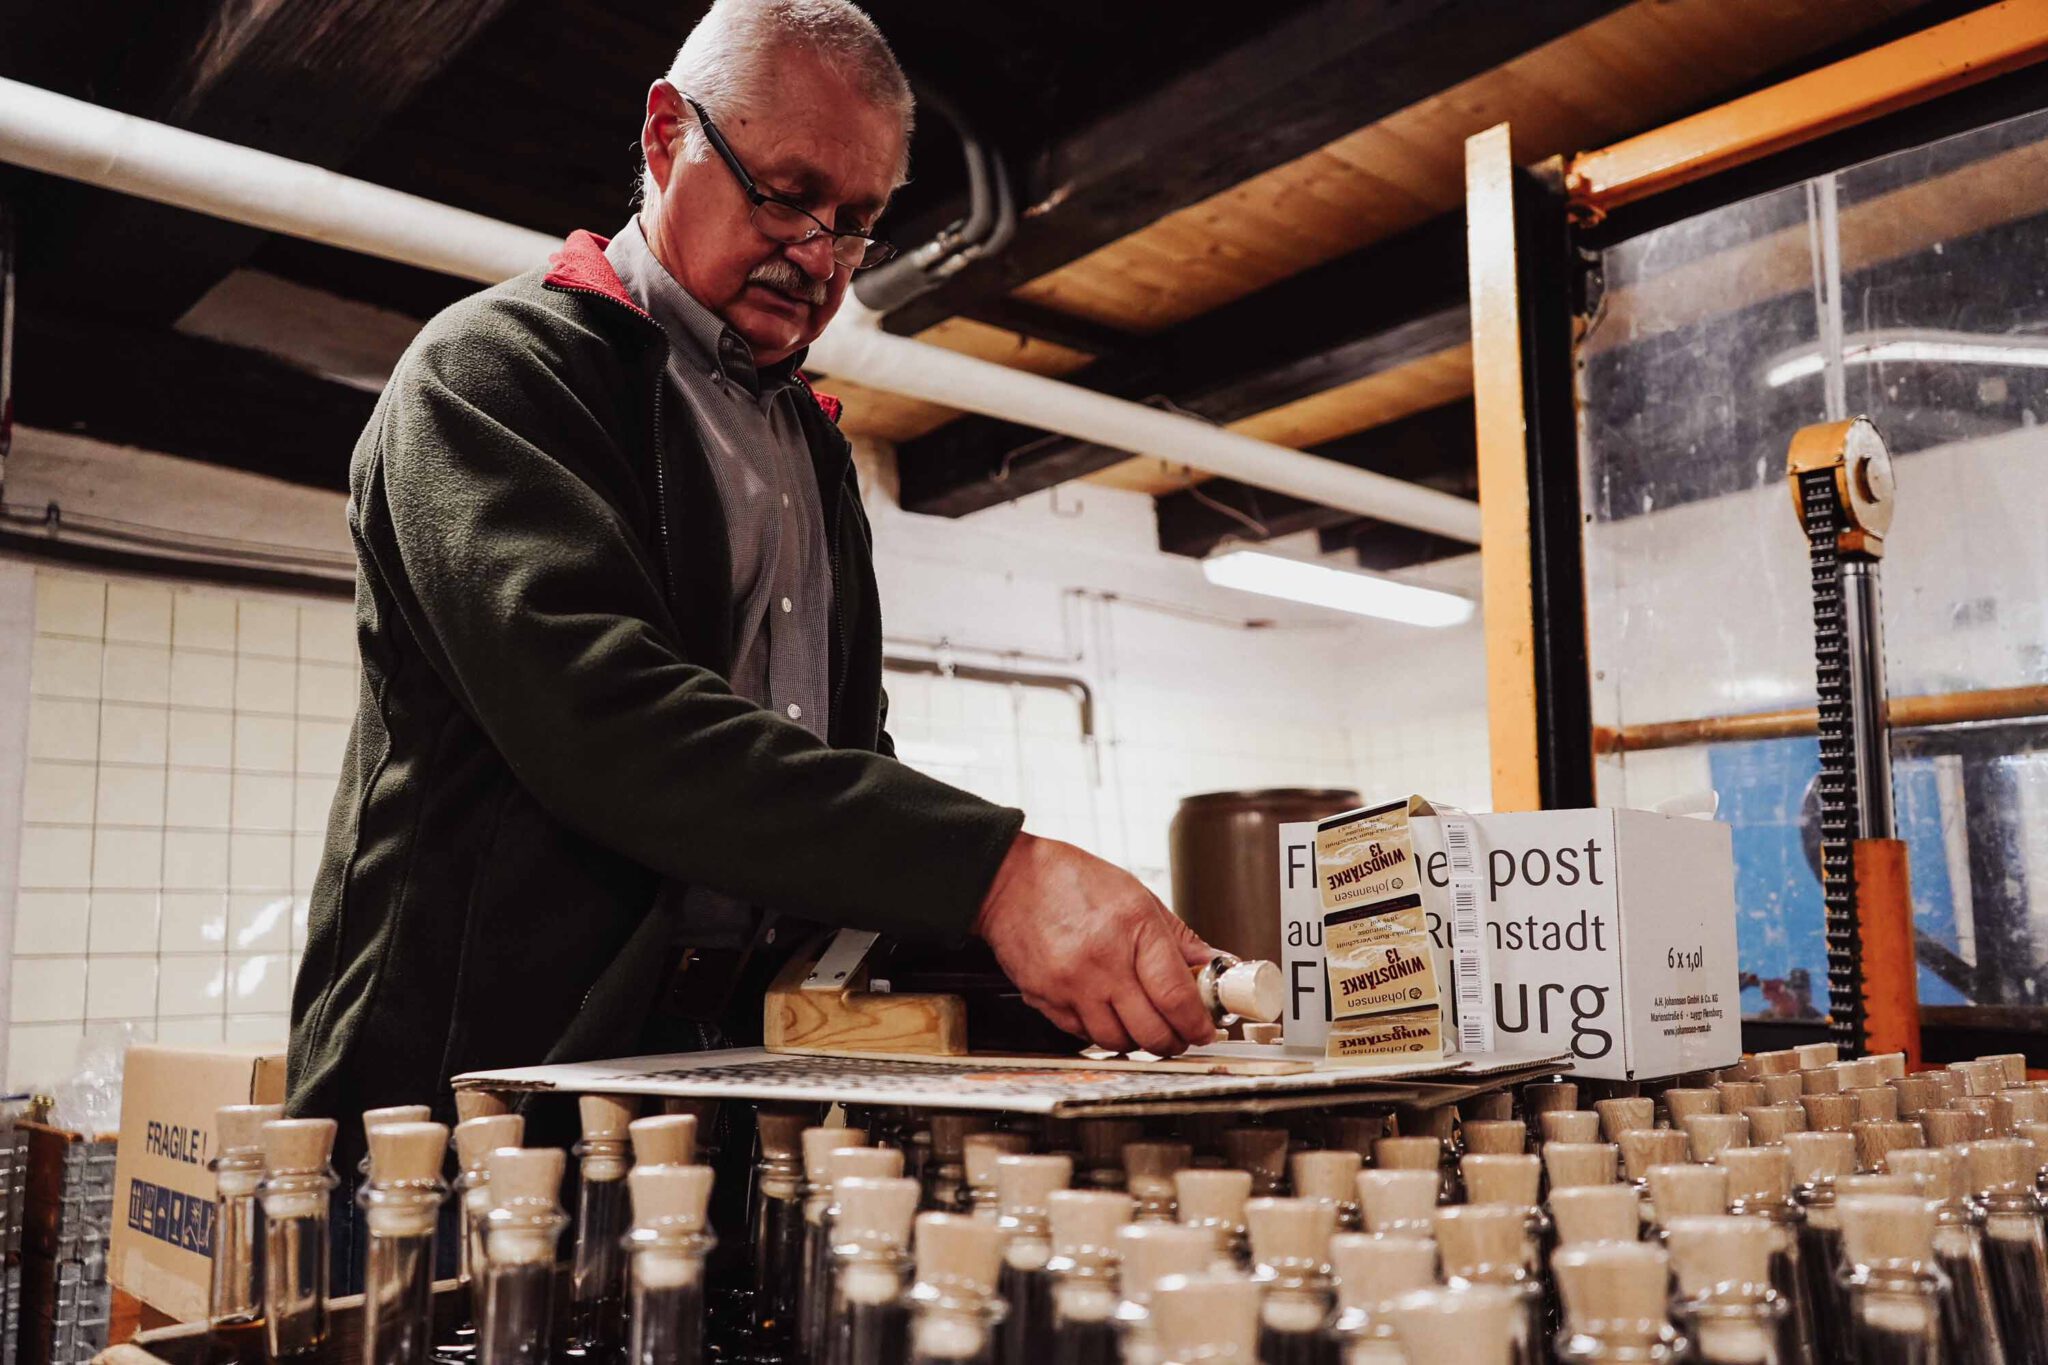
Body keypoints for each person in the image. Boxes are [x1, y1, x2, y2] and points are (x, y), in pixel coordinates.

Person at [285, 0, 1219, 1169]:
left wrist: (1042, 951)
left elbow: (839, 763)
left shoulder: (809, 450)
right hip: (466, 1107)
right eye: (786, 193)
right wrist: (995, 873)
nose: (820, 256)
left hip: (712, 1094)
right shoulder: (493, 375)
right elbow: (608, 723)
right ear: (666, 137)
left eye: (858, 222)